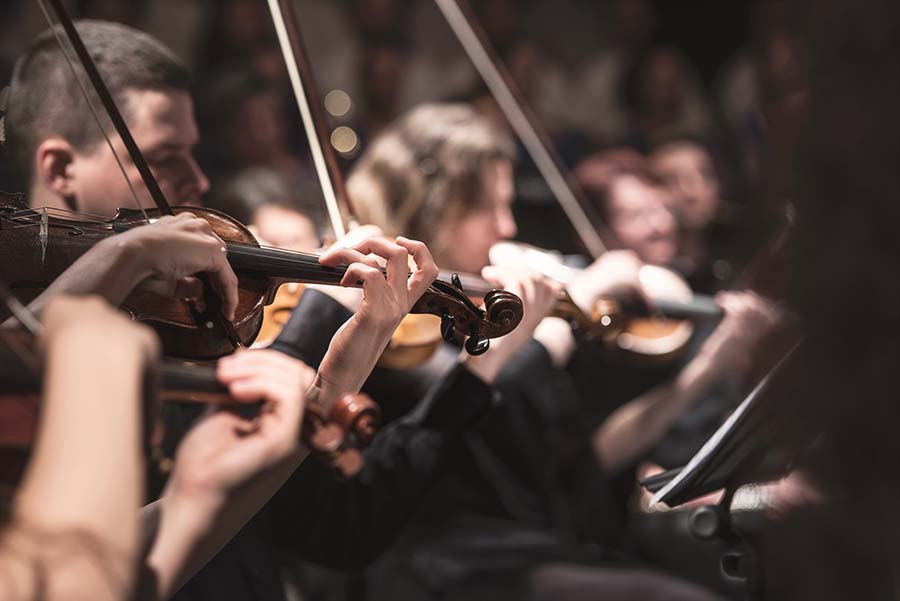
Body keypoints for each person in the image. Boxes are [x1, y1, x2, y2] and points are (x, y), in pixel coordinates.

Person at [2, 20, 549, 601]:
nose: (198, 180)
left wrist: (334, 378)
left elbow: (300, 520)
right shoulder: (56, 356)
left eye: (194, 151)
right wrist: (126, 257)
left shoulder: (180, 319)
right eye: (165, 158)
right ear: (60, 170)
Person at [346, 103, 736, 600]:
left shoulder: (469, 302)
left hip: (522, 544)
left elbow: (565, 460)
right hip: (443, 564)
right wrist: (564, 314)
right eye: (490, 207)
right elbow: (470, 410)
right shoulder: (392, 319)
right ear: (436, 205)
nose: (506, 227)